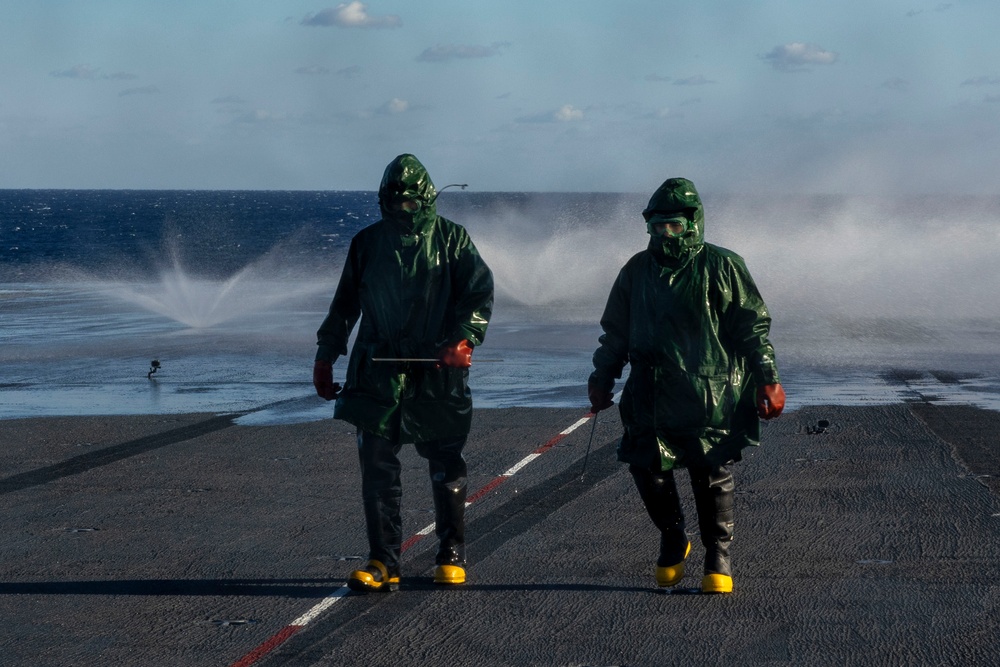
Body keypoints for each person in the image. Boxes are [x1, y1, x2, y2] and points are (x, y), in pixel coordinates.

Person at [588, 177, 785, 594]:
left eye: (674, 226)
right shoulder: (636, 270)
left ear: (693, 224)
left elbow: (753, 329)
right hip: (649, 390)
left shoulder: (723, 265)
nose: (665, 234)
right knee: (646, 465)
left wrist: (768, 379)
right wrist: (602, 377)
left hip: (709, 391)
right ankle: (674, 535)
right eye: (658, 226)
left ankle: (718, 555)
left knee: (710, 470)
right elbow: (615, 332)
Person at [313, 154, 494, 593]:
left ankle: (451, 553)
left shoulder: (453, 240)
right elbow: (344, 306)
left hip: (437, 370)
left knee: (446, 462)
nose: (401, 211)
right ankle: (382, 561)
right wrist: (326, 354)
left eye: (410, 203)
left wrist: (465, 338)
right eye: (393, 203)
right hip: (376, 369)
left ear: (426, 200)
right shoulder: (367, 243)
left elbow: (478, 292)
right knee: (376, 466)